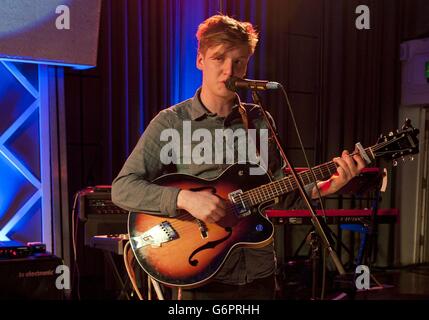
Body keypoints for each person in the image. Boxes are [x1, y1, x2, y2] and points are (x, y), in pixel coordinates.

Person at [111, 14, 365, 300]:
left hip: (259, 274)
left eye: (239, 61)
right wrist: (184, 199)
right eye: (219, 58)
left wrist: (331, 184)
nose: (229, 71)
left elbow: (282, 187)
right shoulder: (171, 122)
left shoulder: (259, 120)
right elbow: (123, 189)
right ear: (200, 60)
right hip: (202, 275)